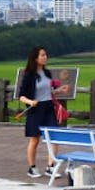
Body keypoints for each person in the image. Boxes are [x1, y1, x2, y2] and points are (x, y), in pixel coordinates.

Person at [18, 46, 69, 178]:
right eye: (42, 55)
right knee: (35, 139)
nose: (45, 57)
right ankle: (32, 168)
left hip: (48, 108)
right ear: (35, 58)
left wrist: (59, 90)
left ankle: (51, 167)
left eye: (46, 55)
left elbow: (48, 92)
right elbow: (21, 95)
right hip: (35, 109)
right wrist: (30, 102)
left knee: (54, 138)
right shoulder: (29, 75)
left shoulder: (47, 73)